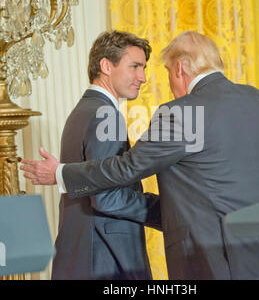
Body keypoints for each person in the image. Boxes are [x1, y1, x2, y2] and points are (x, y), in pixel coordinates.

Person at [21, 31, 259, 280]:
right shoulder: (254, 100)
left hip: (217, 256)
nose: (147, 78)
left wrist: (61, 173)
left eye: (164, 71)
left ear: (179, 68)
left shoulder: (181, 113)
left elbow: (127, 168)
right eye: (136, 67)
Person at [31, 30, 161, 280]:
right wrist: (167, 212)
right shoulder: (106, 115)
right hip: (105, 258)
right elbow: (106, 198)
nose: (142, 77)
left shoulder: (82, 111)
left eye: (143, 68)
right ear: (106, 66)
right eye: (135, 66)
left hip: (82, 254)